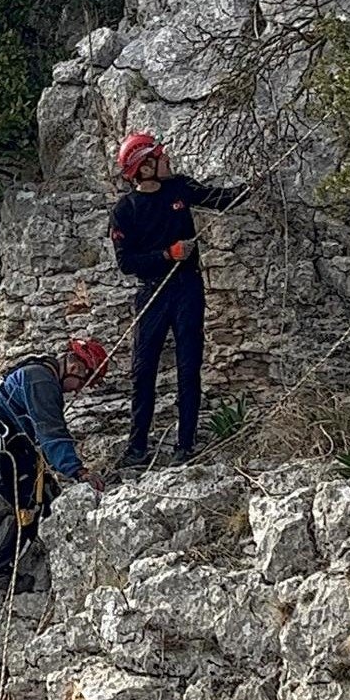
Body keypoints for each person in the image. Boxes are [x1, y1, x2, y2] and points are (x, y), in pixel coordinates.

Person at [109, 132, 250, 468]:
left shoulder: (179, 189)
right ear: (144, 169)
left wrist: (252, 185)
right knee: (144, 370)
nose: (167, 159)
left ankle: (185, 444)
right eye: (159, 156)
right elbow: (127, 263)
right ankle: (137, 448)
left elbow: (220, 199)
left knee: (189, 367)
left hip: (188, 287)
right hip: (152, 291)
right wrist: (166, 254)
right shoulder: (124, 211)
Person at [0, 339, 108, 622]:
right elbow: (52, 432)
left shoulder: (36, 368)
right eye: (83, 382)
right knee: (36, 503)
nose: (79, 391)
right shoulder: (43, 382)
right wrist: (78, 472)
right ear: (74, 366)